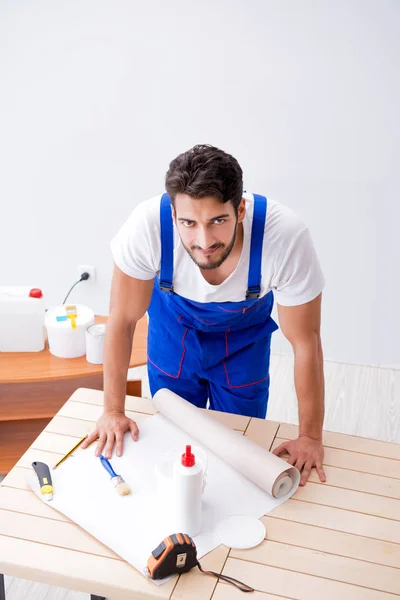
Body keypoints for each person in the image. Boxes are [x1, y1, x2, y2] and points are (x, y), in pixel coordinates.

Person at [83, 144, 326, 486]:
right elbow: (121, 321)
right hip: (174, 335)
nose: (204, 240)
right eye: (188, 223)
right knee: (173, 439)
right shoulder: (146, 228)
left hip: (243, 345)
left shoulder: (284, 238)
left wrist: (310, 437)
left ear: (240, 209)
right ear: (172, 215)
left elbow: (306, 343)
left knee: (239, 449)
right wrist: (112, 411)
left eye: (218, 221)